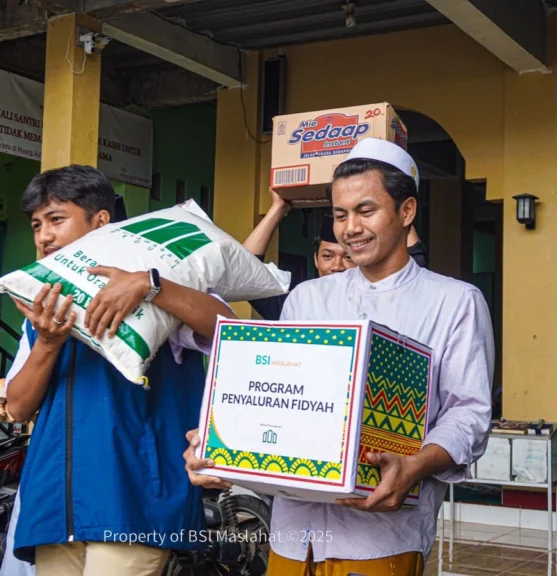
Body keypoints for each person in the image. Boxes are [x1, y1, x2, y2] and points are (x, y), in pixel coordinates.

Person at [183, 138, 495, 576]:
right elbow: (278, 395)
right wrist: (225, 443)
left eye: (366, 211)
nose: (351, 228)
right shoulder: (306, 299)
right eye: (340, 214)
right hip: (291, 535)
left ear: (406, 212)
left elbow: (469, 414)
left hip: (380, 538)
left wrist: (414, 465)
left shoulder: (455, 301)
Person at [2, 165, 234, 576]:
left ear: (101, 221)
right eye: (37, 225)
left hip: (135, 498)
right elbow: (18, 408)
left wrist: (151, 285)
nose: (43, 236)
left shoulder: (160, 293)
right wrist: (49, 343)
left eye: (56, 219)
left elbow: (226, 329)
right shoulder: (40, 312)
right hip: (58, 503)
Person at [245, 188, 427, 321]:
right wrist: (278, 208)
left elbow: (411, 254)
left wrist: (396, 204)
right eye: (327, 256)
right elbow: (244, 270)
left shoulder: (389, 297)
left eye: (348, 257)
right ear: (316, 260)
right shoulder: (299, 302)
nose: (337, 266)